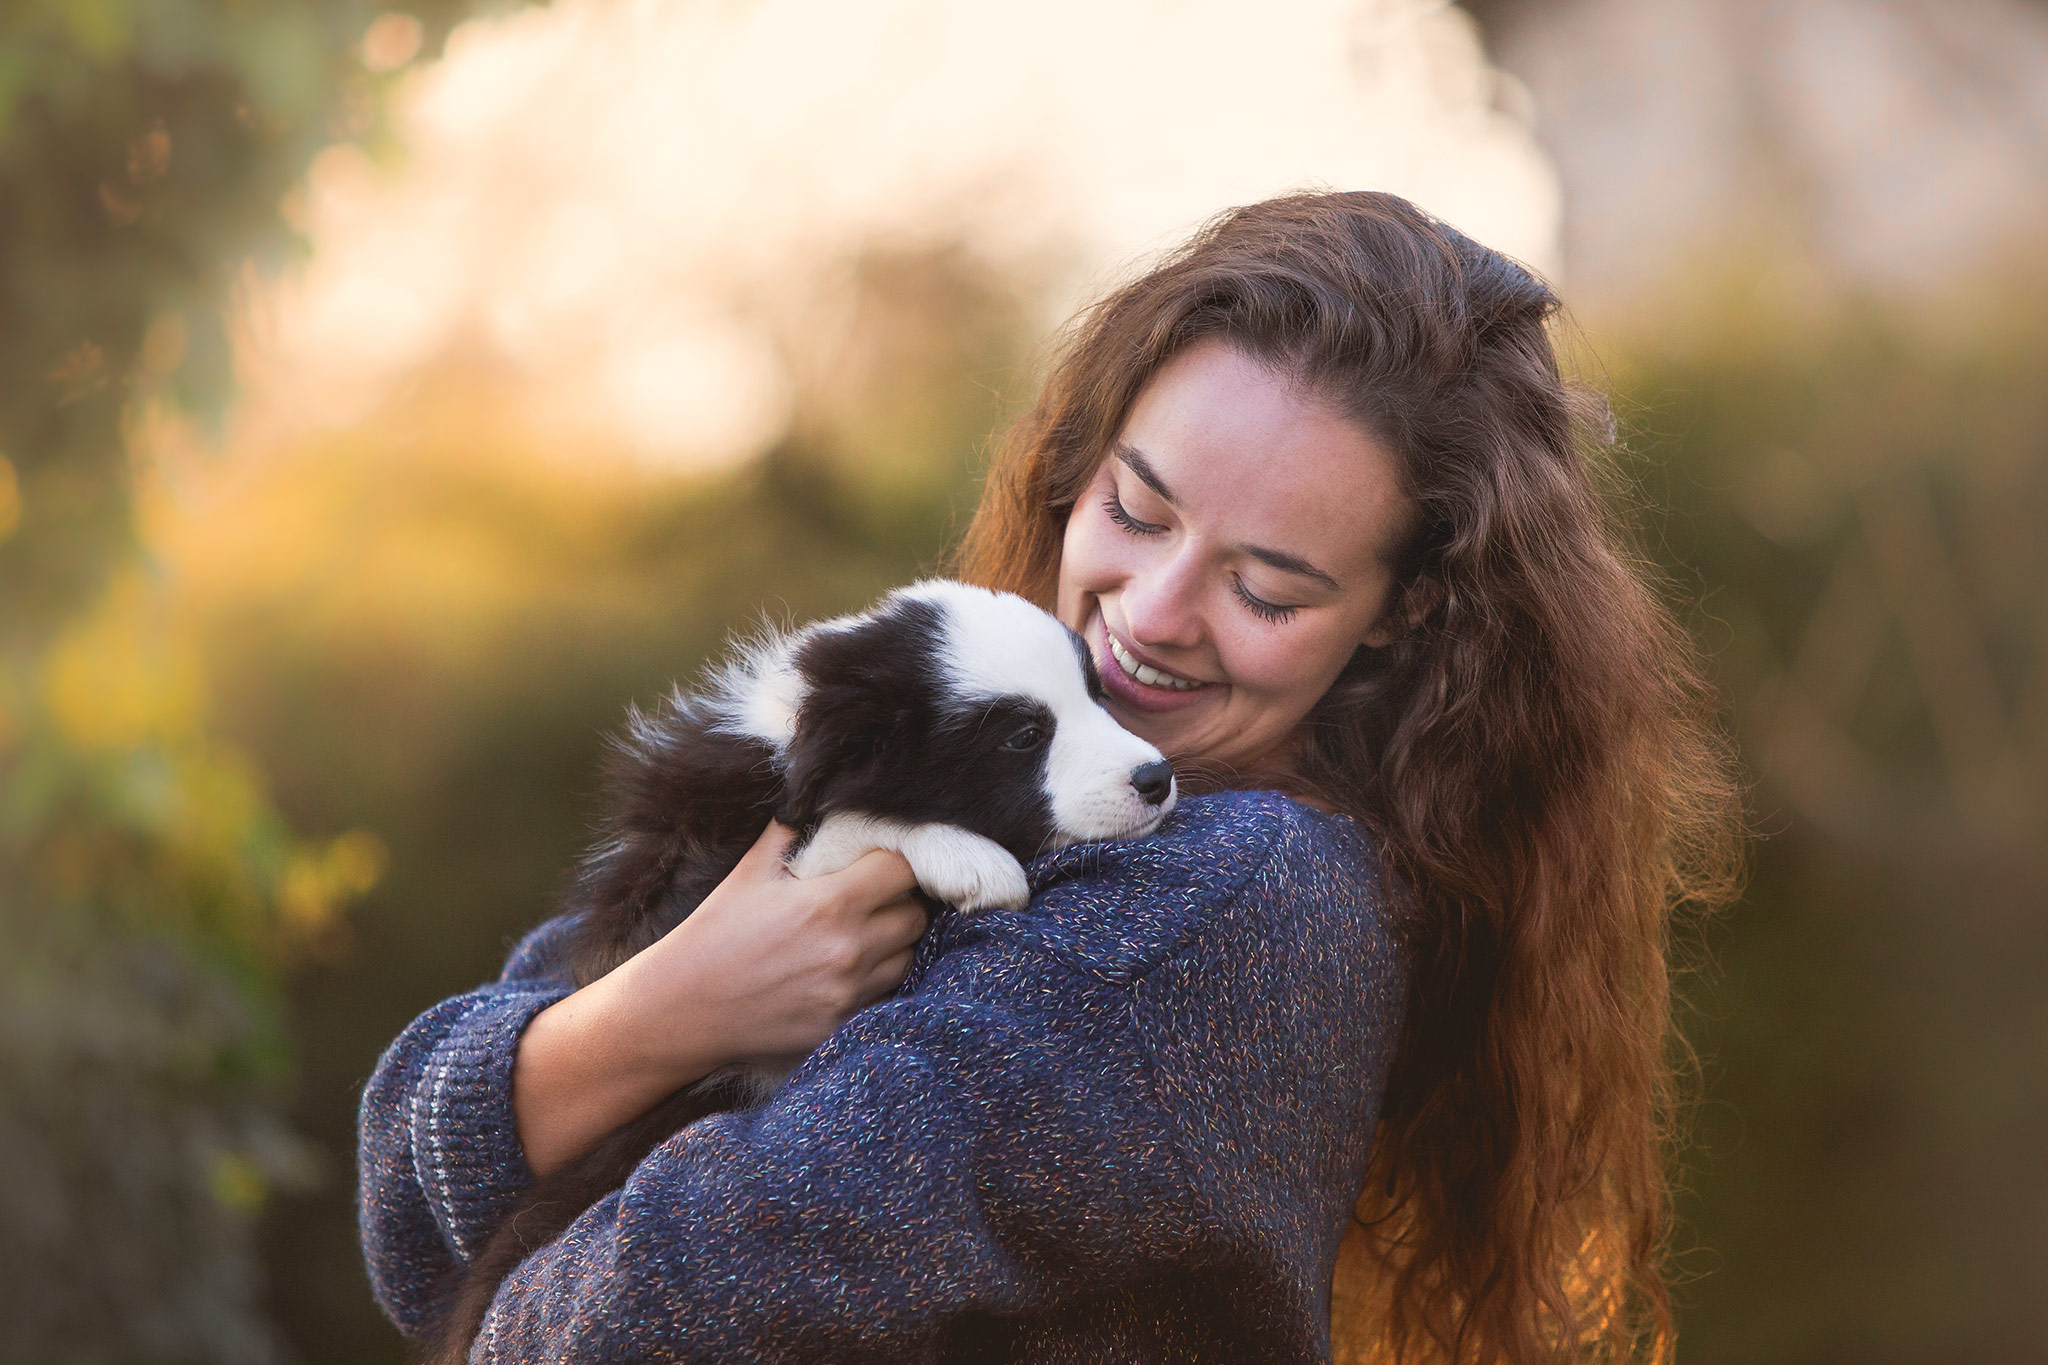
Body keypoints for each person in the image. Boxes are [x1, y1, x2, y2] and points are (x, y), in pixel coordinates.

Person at [358, 191, 1741, 1363]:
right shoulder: (995, 740)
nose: (1151, 609)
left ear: (1400, 611)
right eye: (1137, 509)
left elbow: (613, 1318)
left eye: (1266, 585)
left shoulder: (1230, 903)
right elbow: (404, 1194)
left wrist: (587, 1069)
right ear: (1076, 466)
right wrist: (671, 1002)